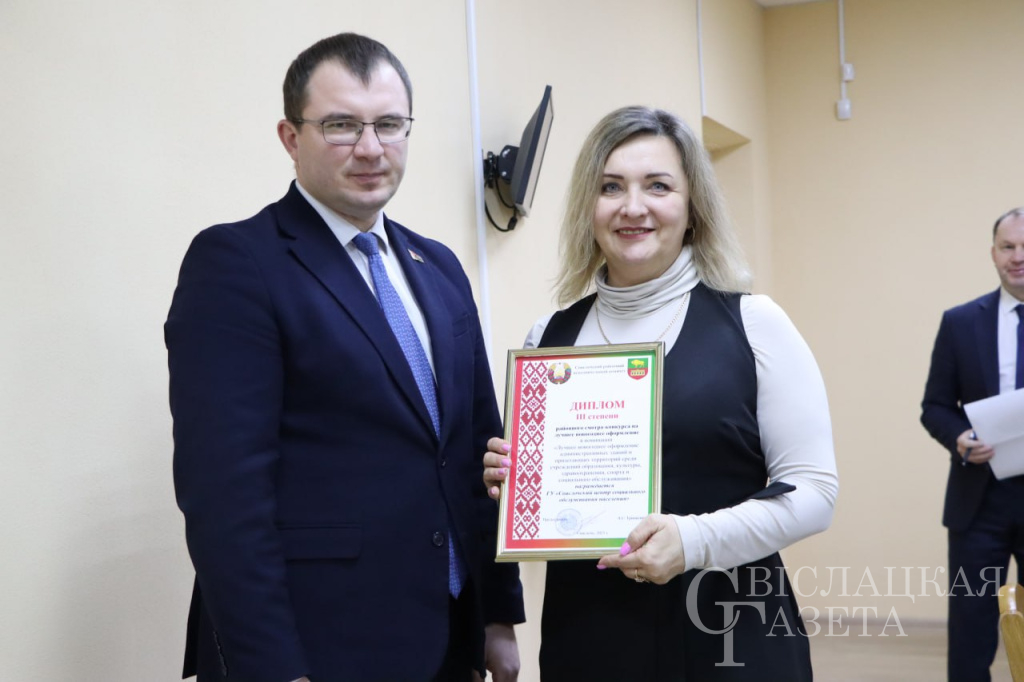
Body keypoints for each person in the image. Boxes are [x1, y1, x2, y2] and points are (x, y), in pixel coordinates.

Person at [166, 32, 524, 682]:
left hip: (449, 639)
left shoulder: (439, 267)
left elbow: (479, 449)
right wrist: (274, 669)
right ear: (290, 136)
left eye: (389, 124)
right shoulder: (239, 264)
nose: (370, 147)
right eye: (341, 125)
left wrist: (497, 616)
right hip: (318, 645)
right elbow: (224, 498)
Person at [483, 106, 838, 680]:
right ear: (588, 207)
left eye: (658, 186)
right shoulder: (548, 339)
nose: (632, 206)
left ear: (693, 207)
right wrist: (515, 484)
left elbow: (815, 493)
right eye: (610, 187)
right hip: (589, 640)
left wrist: (693, 540)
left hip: (728, 634)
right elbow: (541, 506)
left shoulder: (755, 324)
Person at [921, 207, 1024, 682]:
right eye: (1008, 247)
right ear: (993, 253)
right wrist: (959, 438)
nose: (1017, 257)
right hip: (978, 500)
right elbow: (935, 406)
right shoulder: (960, 322)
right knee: (970, 627)